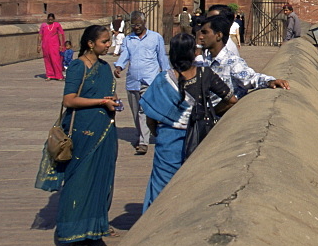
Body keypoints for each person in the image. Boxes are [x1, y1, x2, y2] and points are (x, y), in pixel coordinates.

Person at [39, 24, 119, 246]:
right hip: (82, 131)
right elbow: (69, 100)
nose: (108, 45)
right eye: (104, 42)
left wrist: (111, 102)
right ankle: (72, 231)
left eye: (109, 41)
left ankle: (94, 228)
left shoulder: (105, 67)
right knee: (78, 181)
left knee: (100, 180)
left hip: (104, 129)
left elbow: (107, 94)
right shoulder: (78, 67)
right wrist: (101, 101)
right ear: (90, 44)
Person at [141, 33, 236, 211]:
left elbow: (151, 116)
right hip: (199, 136)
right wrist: (209, 113)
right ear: (193, 53)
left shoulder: (163, 80)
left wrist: (159, 132)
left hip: (168, 141)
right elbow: (231, 100)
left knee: (163, 185)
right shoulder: (205, 74)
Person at [197, 13, 290, 98]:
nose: (200, 37)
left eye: (205, 33)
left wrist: (270, 81)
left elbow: (250, 78)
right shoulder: (207, 60)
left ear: (218, 35)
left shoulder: (231, 61)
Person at [114, 11, 169, 155]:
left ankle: (143, 142)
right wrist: (119, 66)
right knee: (135, 111)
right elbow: (125, 54)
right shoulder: (128, 39)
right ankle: (140, 135)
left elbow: (162, 57)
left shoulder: (155, 38)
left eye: (138, 24)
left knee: (143, 111)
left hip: (149, 79)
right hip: (133, 80)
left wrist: (166, 74)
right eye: (133, 24)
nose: (136, 27)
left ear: (144, 23)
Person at [38, 13, 66, 80]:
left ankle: (59, 75)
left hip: (54, 45)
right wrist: (39, 45)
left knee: (56, 60)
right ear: (47, 19)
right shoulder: (43, 25)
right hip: (46, 45)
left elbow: (60, 34)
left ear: (54, 19)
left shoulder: (57, 25)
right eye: (49, 19)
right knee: (47, 60)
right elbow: (40, 35)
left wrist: (61, 45)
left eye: (52, 20)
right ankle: (50, 75)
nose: (50, 21)